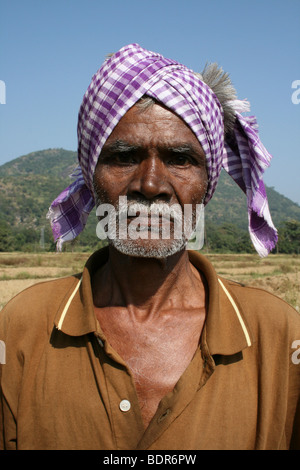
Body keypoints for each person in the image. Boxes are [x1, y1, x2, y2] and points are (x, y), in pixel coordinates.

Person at [0, 44, 299, 451]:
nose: (151, 185)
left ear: (207, 185)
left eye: (179, 158)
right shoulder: (22, 329)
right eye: (124, 157)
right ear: (92, 176)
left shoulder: (279, 335)